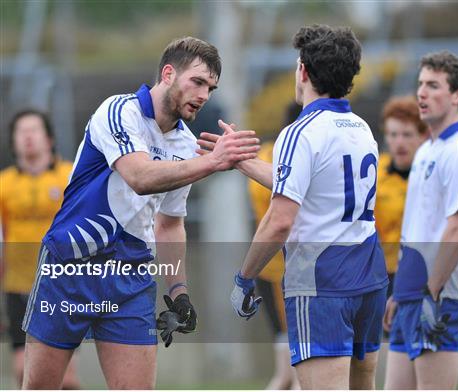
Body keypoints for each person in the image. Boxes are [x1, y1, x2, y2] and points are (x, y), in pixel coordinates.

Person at [20, 37, 259, 389]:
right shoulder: (119, 111)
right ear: (167, 74)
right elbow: (140, 177)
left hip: (130, 280)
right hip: (69, 268)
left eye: (211, 87)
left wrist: (179, 293)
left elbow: (170, 223)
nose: (204, 94)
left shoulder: (185, 146)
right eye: (197, 81)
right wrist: (213, 161)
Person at [200, 24, 389, 389]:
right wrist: (243, 161)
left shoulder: (300, 131)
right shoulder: (360, 128)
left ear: (302, 71)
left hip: (321, 281)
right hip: (369, 275)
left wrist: (245, 278)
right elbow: (312, 186)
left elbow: (280, 221)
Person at [383, 51, 458, 390]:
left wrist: (430, 291)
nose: (421, 94)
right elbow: (419, 228)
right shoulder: (427, 149)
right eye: (420, 85)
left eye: (433, 85)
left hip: (440, 295)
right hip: (411, 293)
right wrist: (402, 292)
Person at [0, 110, 80, 388]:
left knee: (65, 378)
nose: (28, 137)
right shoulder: (4, 185)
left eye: (34, 130)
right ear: (13, 141)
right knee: (24, 371)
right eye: (22, 131)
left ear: (49, 138)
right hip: (18, 288)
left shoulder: (69, 176)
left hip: (62, 287)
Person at [247, 102, 301, 390]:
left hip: (269, 267)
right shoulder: (291, 159)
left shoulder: (264, 155)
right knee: (294, 373)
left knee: (287, 374)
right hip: (285, 269)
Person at [375, 96, 429, 298]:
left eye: (407, 134)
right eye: (393, 134)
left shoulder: (432, 174)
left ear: (423, 135)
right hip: (381, 274)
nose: (399, 142)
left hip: (423, 272)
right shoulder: (374, 171)